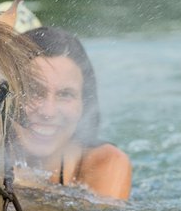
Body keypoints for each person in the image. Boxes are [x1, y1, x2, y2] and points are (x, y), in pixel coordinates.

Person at [13, 27, 132, 200]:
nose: (48, 111)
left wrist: (19, 183)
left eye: (65, 95)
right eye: (32, 91)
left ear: (84, 103)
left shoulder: (105, 162)